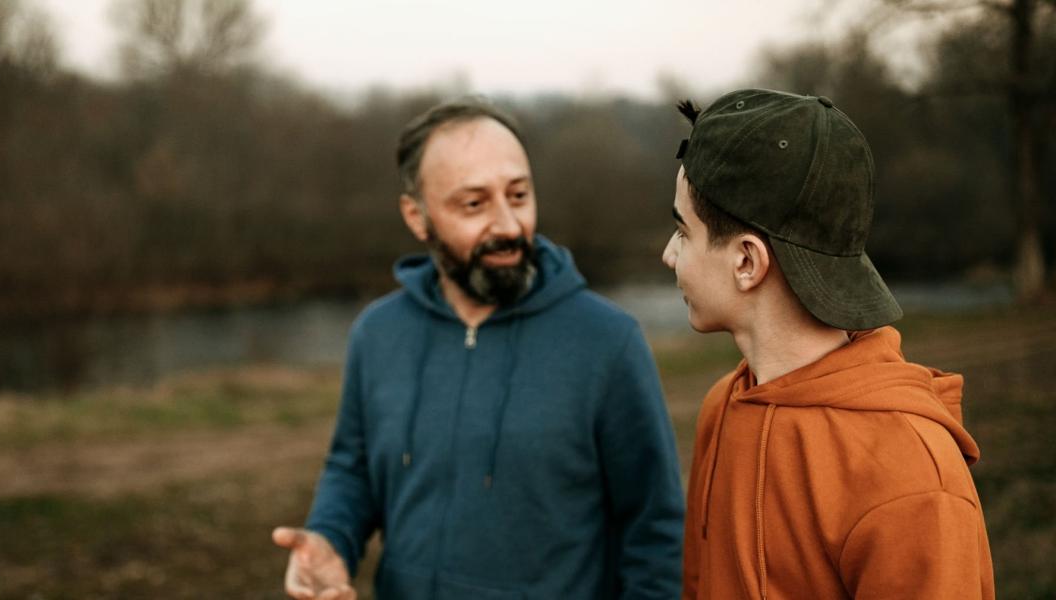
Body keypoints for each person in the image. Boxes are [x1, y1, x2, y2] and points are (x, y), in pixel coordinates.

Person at [271, 97, 685, 599]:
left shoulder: (608, 342)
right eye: (474, 204)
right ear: (417, 216)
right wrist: (332, 540)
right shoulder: (377, 334)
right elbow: (353, 470)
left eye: (518, 195)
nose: (508, 226)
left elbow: (655, 534)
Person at [662, 88, 995, 599]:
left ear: (746, 262)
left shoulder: (911, 481)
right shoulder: (721, 409)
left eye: (683, 232)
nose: (668, 255)